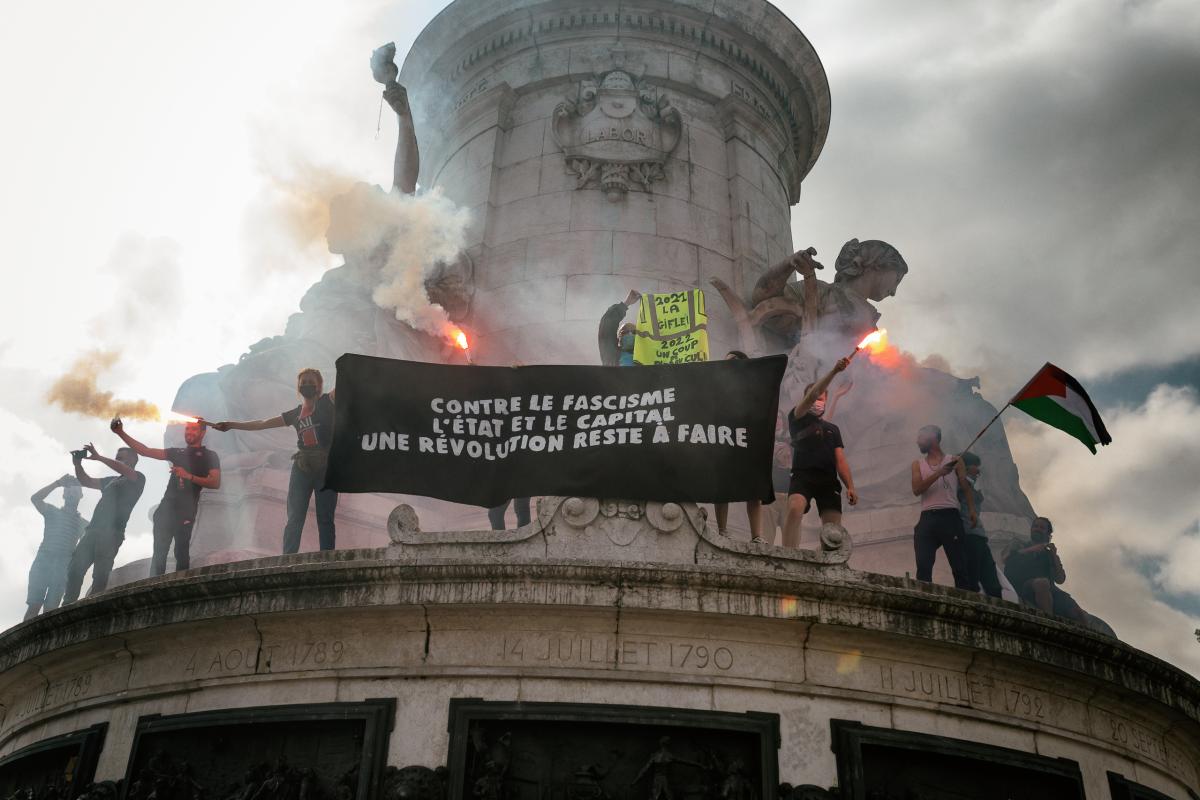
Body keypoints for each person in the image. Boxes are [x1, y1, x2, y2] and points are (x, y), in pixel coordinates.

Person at [213, 368, 337, 554]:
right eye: (303, 382)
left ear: (319, 386)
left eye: (311, 381)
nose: (306, 385)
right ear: (298, 387)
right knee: (294, 516)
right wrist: (231, 425)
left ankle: (327, 557)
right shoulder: (294, 414)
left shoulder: (327, 402)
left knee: (325, 517)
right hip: (302, 467)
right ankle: (288, 557)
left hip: (326, 468)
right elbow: (262, 424)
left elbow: (346, 382)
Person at [113, 419, 221, 576]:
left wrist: (188, 476)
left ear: (203, 433)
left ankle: (180, 592)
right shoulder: (176, 453)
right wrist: (120, 432)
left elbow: (215, 482)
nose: (189, 432)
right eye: (187, 429)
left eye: (193, 430)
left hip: (186, 512)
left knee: (181, 552)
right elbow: (145, 451)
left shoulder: (209, 456)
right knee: (159, 556)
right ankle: (153, 593)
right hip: (165, 511)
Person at [782, 357, 858, 548]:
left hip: (828, 481)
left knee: (833, 532)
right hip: (803, 476)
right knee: (795, 507)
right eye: (813, 398)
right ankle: (789, 553)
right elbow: (814, 391)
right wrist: (834, 371)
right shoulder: (796, 417)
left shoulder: (832, 429)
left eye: (822, 398)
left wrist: (850, 485)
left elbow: (840, 460)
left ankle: (830, 561)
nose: (817, 400)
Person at [63, 442, 146, 603]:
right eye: (117, 458)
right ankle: (67, 605)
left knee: (100, 574)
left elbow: (122, 469)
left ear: (132, 460)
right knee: (74, 570)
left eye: (120, 458)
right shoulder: (110, 480)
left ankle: (91, 607)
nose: (117, 461)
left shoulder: (138, 478)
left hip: (112, 533)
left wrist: (100, 457)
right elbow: (86, 481)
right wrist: (77, 464)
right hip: (92, 530)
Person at [910, 425, 974, 590]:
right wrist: (938, 473)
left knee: (959, 566)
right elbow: (917, 489)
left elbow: (965, 487)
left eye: (920, 437)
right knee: (923, 567)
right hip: (927, 518)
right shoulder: (917, 464)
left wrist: (972, 511)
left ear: (932, 438)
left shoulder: (955, 460)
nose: (917, 441)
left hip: (950, 516)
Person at [714, 351, 764, 541]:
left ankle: (757, 535)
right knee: (722, 487)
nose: (728, 365)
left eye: (733, 361)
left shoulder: (755, 388)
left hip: (748, 441)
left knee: (753, 489)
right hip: (724, 440)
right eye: (725, 362)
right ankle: (722, 530)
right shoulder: (718, 387)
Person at [25, 474, 88, 619]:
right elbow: (35, 499)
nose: (72, 493)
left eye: (75, 490)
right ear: (64, 495)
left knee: (51, 610)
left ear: (81, 495)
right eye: (68, 490)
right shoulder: (52, 512)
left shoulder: (84, 524)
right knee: (34, 606)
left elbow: (89, 544)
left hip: (63, 566)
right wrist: (57, 483)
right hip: (44, 560)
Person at [1004, 517, 1089, 623]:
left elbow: (1060, 579)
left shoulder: (1049, 554)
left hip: (1050, 589)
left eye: (1042, 527)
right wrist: (1031, 550)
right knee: (1042, 583)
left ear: (1048, 534)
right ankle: (1049, 623)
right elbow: (1006, 559)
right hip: (1023, 585)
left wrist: (1054, 555)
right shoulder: (1019, 544)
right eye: (1035, 526)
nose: (1037, 529)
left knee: (1080, 614)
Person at [958, 452, 1002, 598]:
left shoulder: (973, 486)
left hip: (979, 536)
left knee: (993, 584)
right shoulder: (958, 485)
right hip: (968, 535)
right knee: (971, 582)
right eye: (975, 467)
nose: (978, 471)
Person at [598, 290, 641, 366]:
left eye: (634, 332)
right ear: (618, 338)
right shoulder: (610, 356)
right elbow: (607, 326)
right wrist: (625, 304)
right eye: (625, 332)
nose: (630, 334)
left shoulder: (644, 356)